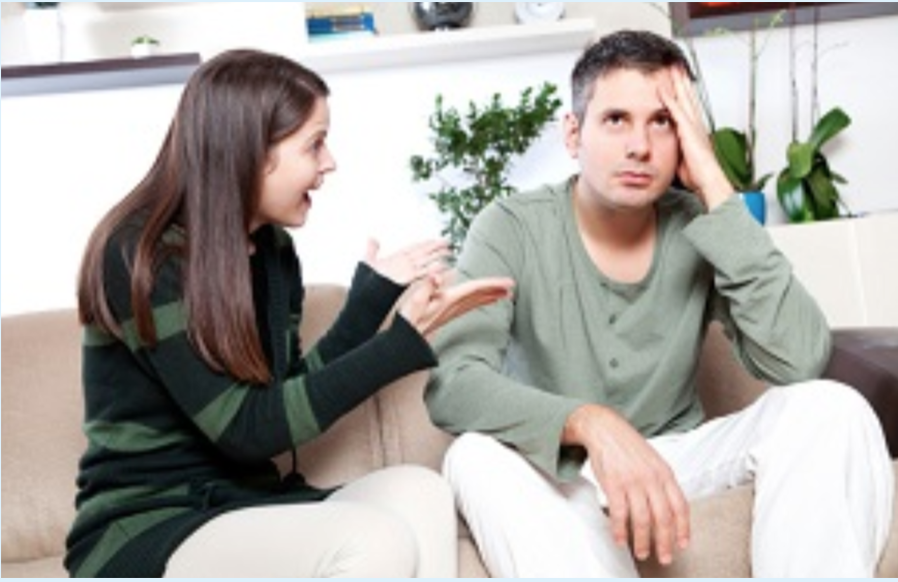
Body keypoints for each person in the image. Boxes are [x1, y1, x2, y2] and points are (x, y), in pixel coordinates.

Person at [426, 30, 894, 577]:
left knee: (833, 408)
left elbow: (799, 358)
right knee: (472, 457)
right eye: (616, 119)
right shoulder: (511, 226)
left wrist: (715, 187)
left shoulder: (700, 223)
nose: (640, 147)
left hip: (680, 454)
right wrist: (591, 423)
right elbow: (453, 382)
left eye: (663, 122)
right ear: (573, 133)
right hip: (559, 470)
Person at [65, 48, 513, 578]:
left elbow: (282, 399)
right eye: (315, 144)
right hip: (146, 526)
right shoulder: (140, 256)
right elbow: (248, 431)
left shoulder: (272, 252)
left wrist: (369, 302)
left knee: (421, 491)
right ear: (250, 151)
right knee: (371, 538)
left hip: (242, 505)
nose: (330, 163)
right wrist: (401, 343)